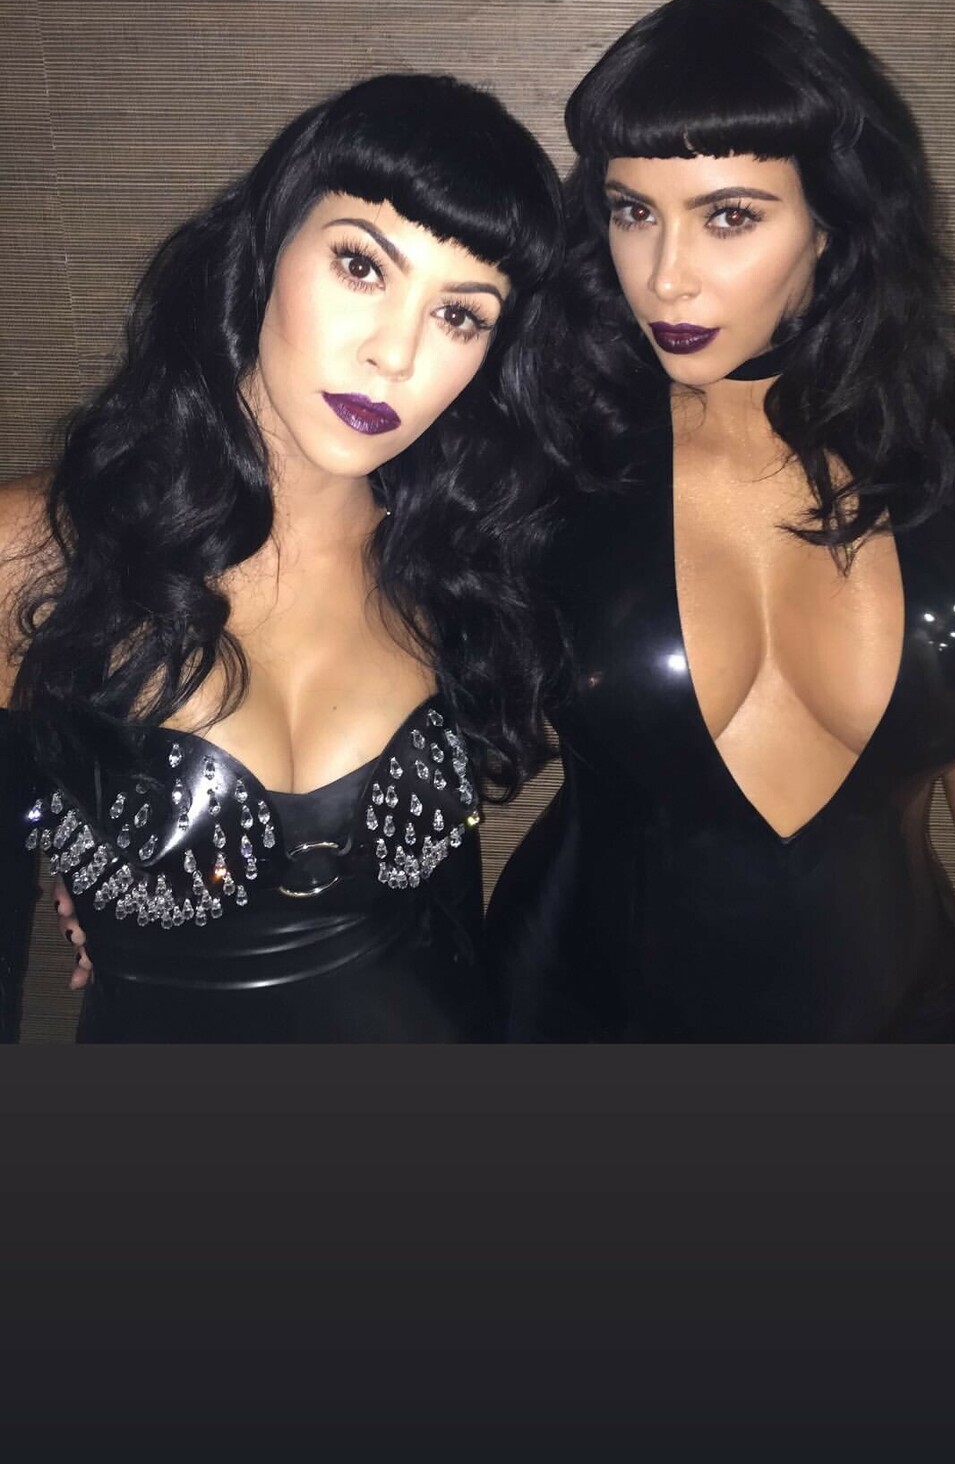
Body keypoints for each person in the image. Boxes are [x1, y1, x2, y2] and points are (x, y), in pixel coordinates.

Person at [485, 0, 955, 1043]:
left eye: (729, 217)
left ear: (831, 224)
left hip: (895, 1037)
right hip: (575, 1023)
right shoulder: (549, 453)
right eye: (632, 212)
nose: (666, 278)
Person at [0, 72, 564, 1041]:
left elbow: (451, 918)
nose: (395, 355)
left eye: (460, 315)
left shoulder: (461, 562)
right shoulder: (37, 549)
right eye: (363, 266)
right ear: (266, 243)